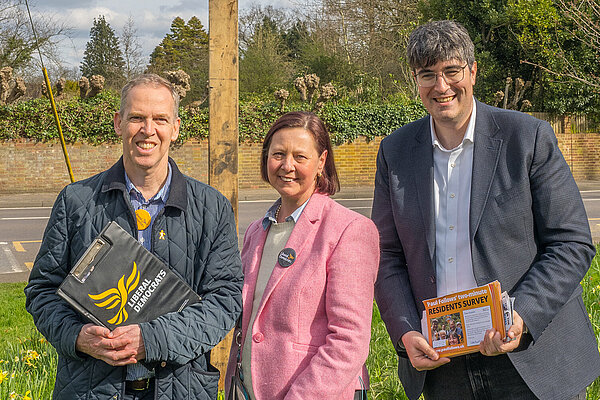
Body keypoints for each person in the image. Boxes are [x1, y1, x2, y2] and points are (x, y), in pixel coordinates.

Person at [372, 20, 600, 400]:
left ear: (473, 72)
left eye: (451, 71)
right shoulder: (394, 152)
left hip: (531, 359)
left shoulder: (526, 138)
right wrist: (406, 331)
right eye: (427, 75)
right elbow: (386, 255)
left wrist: (520, 315)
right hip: (444, 366)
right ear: (416, 81)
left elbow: (571, 242)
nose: (441, 86)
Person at [25, 74, 243, 399]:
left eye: (160, 119)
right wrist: (76, 336)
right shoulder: (76, 201)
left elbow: (225, 300)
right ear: (118, 123)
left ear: (176, 128)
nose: (148, 130)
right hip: (92, 389)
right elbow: (42, 291)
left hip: (180, 388)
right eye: (137, 118)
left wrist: (153, 340)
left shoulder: (212, 208)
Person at [225, 111, 379, 399]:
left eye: (300, 156)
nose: (287, 166)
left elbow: (349, 341)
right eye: (278, 154)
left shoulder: (350, 230)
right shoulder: (255, 232)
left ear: (321, 162)